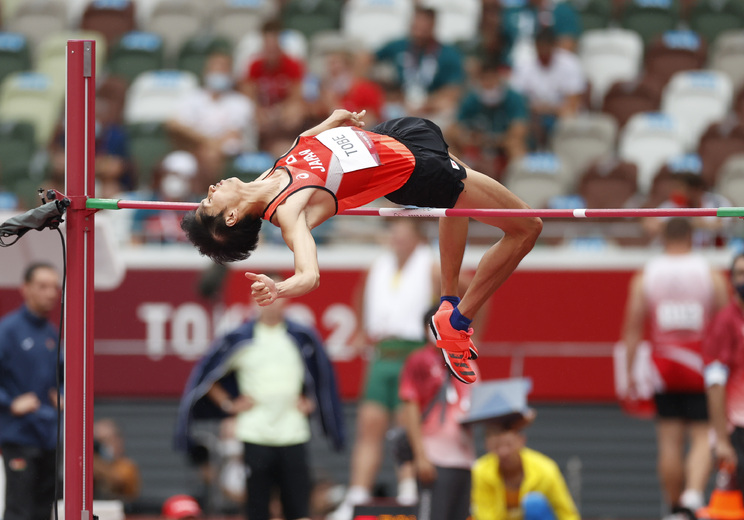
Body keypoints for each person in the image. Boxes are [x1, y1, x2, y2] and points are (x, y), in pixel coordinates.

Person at [179, 108, 543, 385]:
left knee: (455, 202)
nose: (210, 190)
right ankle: (458, 320)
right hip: (411, 169)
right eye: (209, 202)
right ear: (230, 218)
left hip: (388, 138)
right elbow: (309, 275)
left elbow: (300, 146)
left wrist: (328, 123)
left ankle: (447, 306)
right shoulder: (289, 213)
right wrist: (279, 287)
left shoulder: (263, 180)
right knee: (527, 227)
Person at [173, 280, 345, 520]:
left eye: (278, 294)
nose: (272, 301)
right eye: (265, 294)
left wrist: (310, 401)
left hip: (293, 433)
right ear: (254, 300)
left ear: (287, 299)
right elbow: (207, 376)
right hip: (255, 434)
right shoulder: (239, 338)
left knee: (298, 507)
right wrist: (229, 404)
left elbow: (321, 378)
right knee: (257, 508)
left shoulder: (301, 338)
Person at [621, 217, 729, 520]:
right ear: (692, 237)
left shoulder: (646, 275)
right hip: (699, 363)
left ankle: (673, 509)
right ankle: (692, 496)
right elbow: (724, 323)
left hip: (663, 365)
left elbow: (632, 328)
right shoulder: (710, 274)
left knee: (669, 441)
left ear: (663, 238)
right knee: (702, 436)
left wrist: (629, 374)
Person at [330, 219, 437, 520]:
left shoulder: (432, 266)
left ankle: (408, 489)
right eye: (394, 232)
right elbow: (360, 292)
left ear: (417, 238)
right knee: (370, 424)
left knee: (407, 425)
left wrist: (469, 334)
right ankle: (357, 494)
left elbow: (466, 289)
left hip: (412, 351)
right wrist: (362, 329)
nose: (396, 238)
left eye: (403, 233)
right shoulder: (377, 265)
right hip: (380, 353)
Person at [398, 307, 476, 520]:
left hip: (464, 460)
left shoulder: (468, 362)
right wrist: (421, 456)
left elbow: (478, 407)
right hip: (434, 459)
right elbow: (411, 409)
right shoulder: (419, 360)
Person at [0, 263, 62, 520]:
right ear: (25, 289)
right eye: (43, 286)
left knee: (43, 510)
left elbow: (60, 379)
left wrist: (61, 395)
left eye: (55, 287)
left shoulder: (53, 334)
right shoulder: (7, 330)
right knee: (19, 510)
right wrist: (11, 403)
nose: (51, 293)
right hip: (19, 437)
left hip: (48, 438)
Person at [703, 252, 744, 506]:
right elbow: (715, 384)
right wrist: (720, 440)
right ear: (731, 280)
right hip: (740, 431)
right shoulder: (724, 323)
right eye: (742, 274)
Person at [470, 412, 579, 520]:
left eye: (508, 445)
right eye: (496, 447)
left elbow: (565, 512)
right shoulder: (480, 471)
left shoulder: (545, 468)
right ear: (487, 446)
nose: (503, 452)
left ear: (521, 440)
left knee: (534, 503)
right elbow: (484, 515)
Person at [167, 51, 256, 180]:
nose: (218, 73)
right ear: (206, 72)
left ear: (231, 74)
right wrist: (205, 141)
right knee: (176, 161)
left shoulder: (240, 102)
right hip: (196, 147)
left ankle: (210, 196)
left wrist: (203, 141)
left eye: (222, 69)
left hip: (230, 152)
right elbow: (173, 124)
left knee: (211, 154)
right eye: (214, 68)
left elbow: (233, 134)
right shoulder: (193, 97)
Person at [374, 6, 466, 123]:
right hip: (400, 101)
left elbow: (454, 89)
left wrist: (427, 104)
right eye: (417, 23)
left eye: (424, 24)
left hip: (431, 106)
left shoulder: (448, 53)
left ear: (433, 25)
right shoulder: (398, 46)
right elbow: (368, 59)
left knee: (447, 107)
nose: (420, 29)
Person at [448, 59, 529, 181]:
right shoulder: (471, 99)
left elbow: (519, 131)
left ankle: (519, 184)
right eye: (485, 79)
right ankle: (456, 182)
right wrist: (467, 137)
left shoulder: (514, 98)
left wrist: (494, 141)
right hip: (477, 145)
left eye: (492, 79)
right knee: (449, 147)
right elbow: (454, 129)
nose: (489, 83)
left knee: (516, 146)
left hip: (502, 145)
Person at [509, 26, 585, 150]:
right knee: (518, 122)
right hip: (532, 113)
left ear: (554, 46)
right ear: (535, 46)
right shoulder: (524, 65)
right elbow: (516, 100)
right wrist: (536, 109)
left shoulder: (570, 63)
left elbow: (573, 103)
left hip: (560, 113)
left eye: (547, 48)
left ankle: (562, 154)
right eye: (540, 48)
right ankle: (525, 160)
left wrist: (548, 109)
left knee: (568, 116)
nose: (543, 52)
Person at [241, 19, 308, 157]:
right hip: (262, 110)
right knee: (246, 110)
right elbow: (248, 94)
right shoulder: (255, 65)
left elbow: (296, 95)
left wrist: (279, 111)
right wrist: (260, 111)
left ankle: (290, 145)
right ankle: (254, 148)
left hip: (282, 110)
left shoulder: (292, 65)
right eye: (267, 46)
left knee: (296, 111)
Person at [93, 418, 141, 502]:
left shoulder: (126, 466)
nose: (100, 445)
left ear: (117, 441)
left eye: (104, 440)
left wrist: (95, 463)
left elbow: (117, 480)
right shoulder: (89, 463)